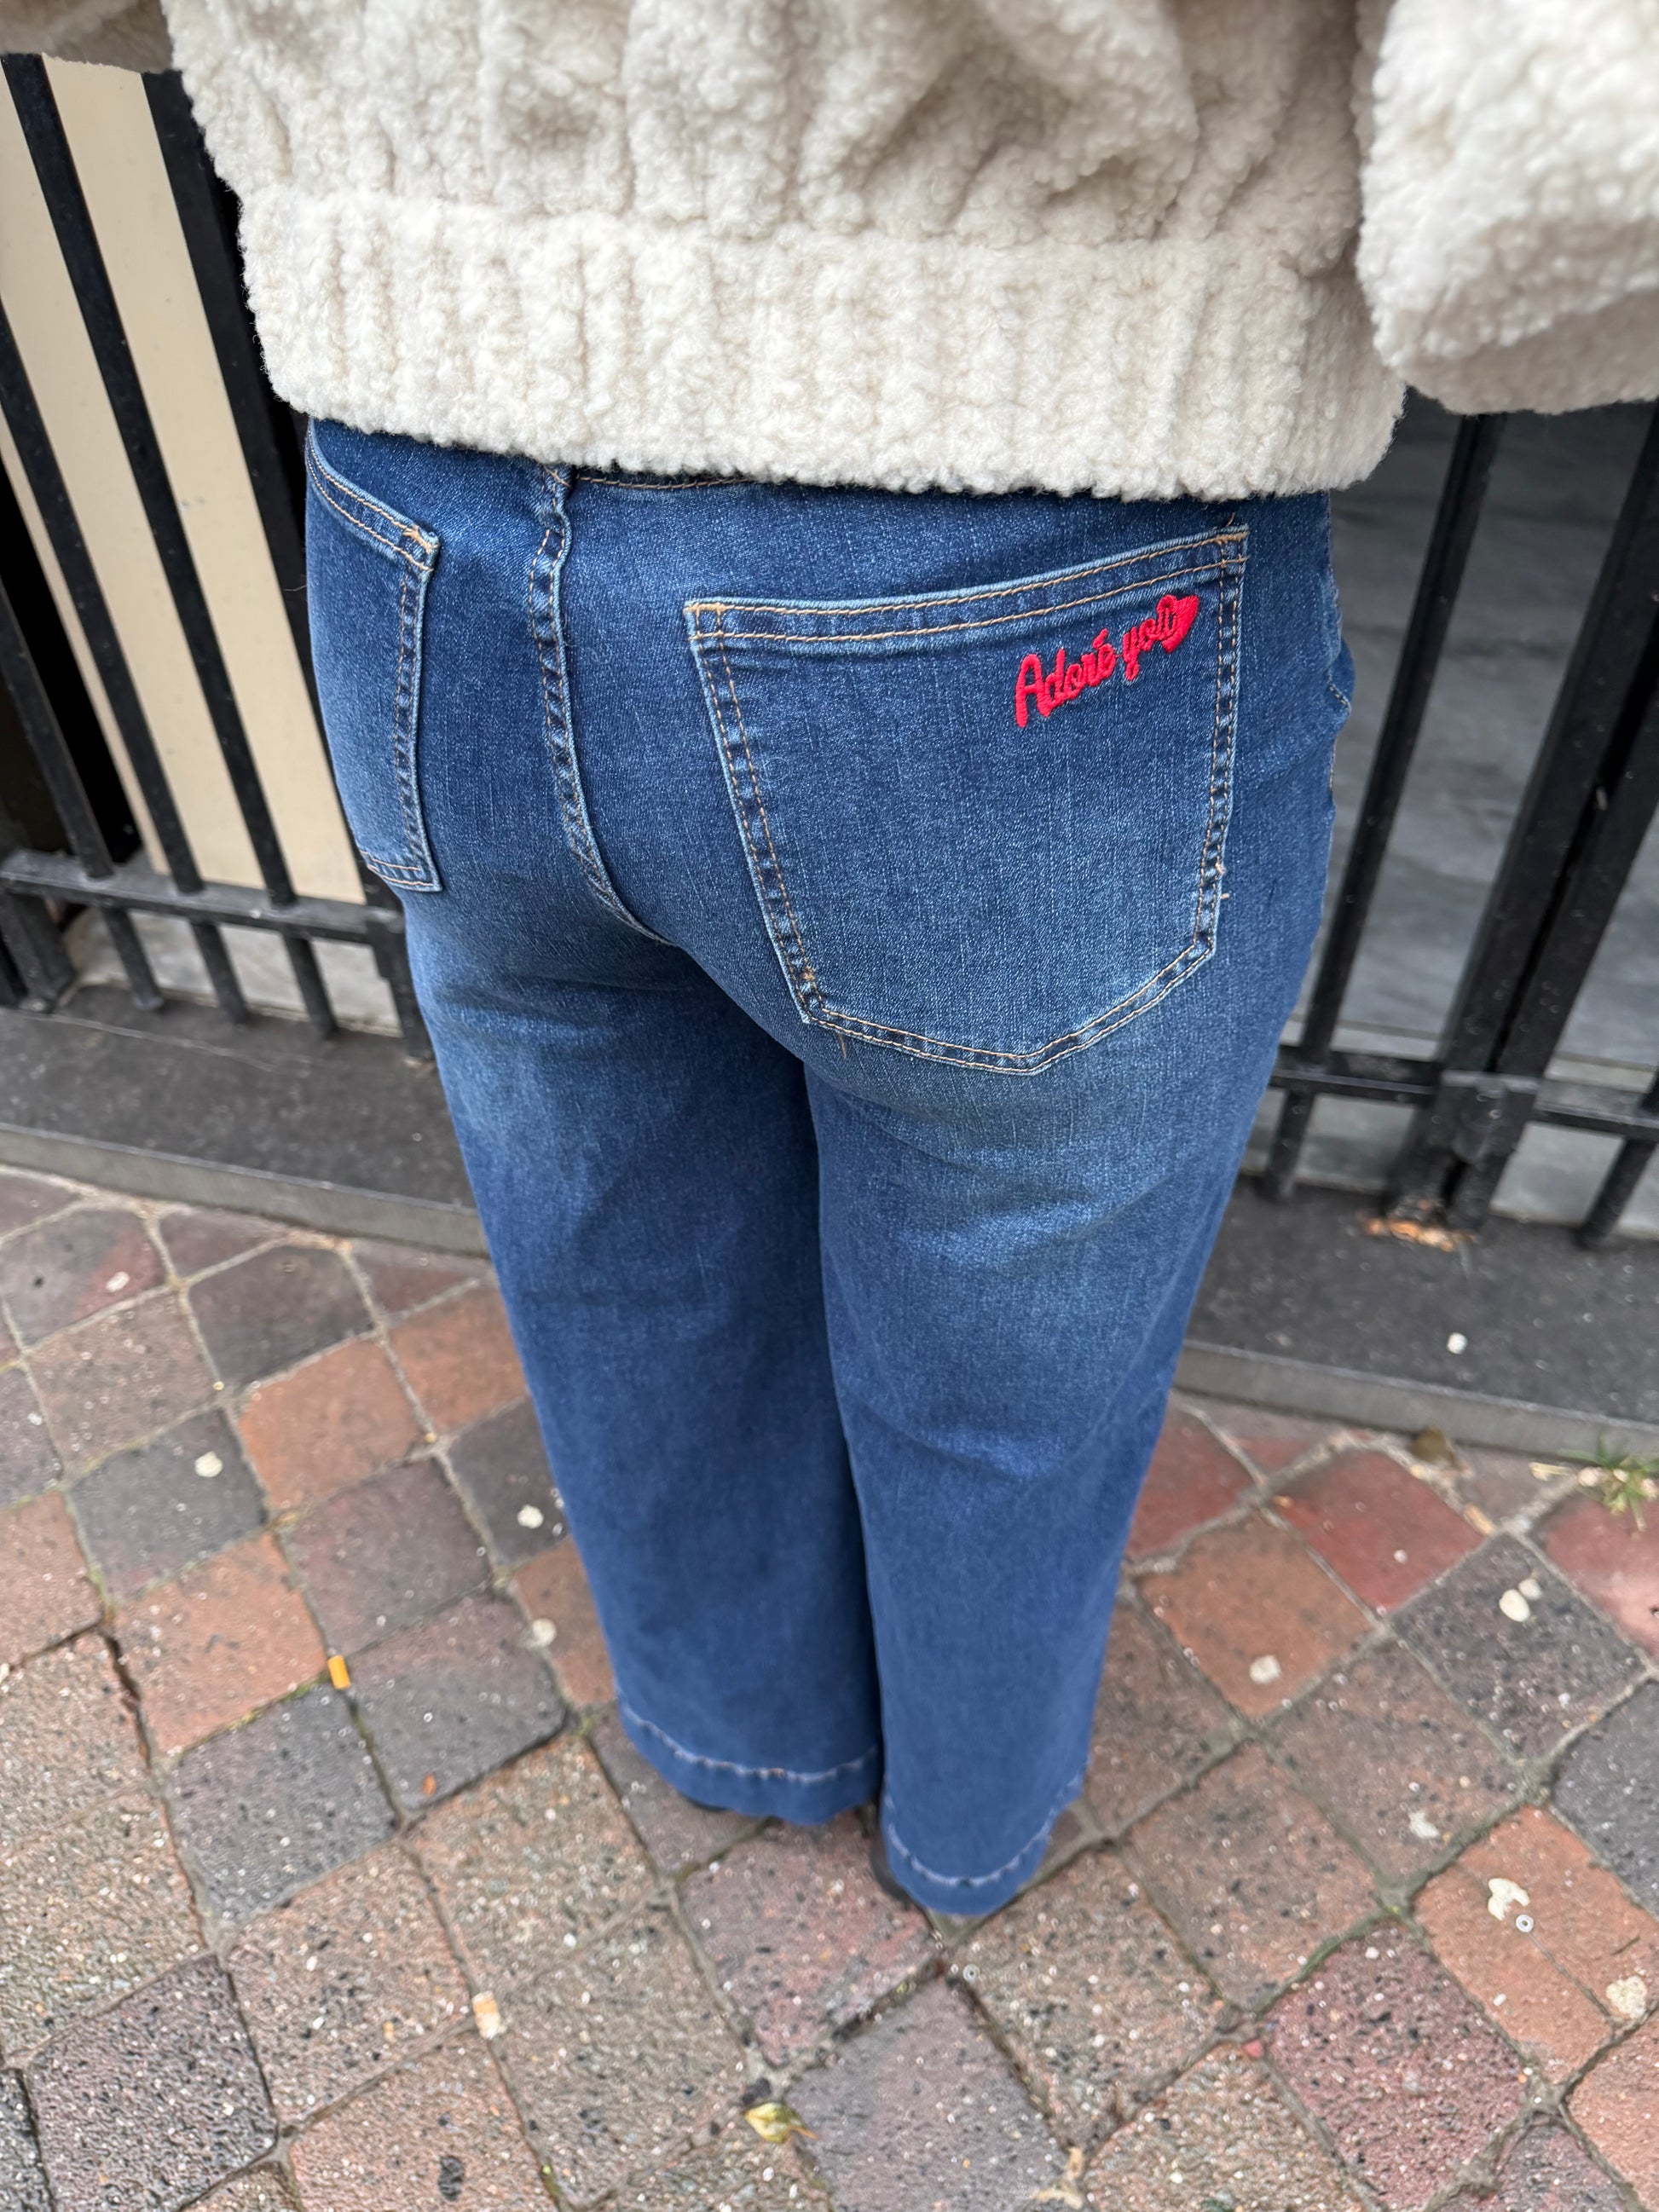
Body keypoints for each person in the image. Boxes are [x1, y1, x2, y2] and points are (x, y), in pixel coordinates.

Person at [9, 0, 1656, 1916]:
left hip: (418, 515)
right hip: (1019, 505)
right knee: (1010, 1340)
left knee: (615, 1259)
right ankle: (963, 1823)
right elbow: (1550, 203)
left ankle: (740, 1733)